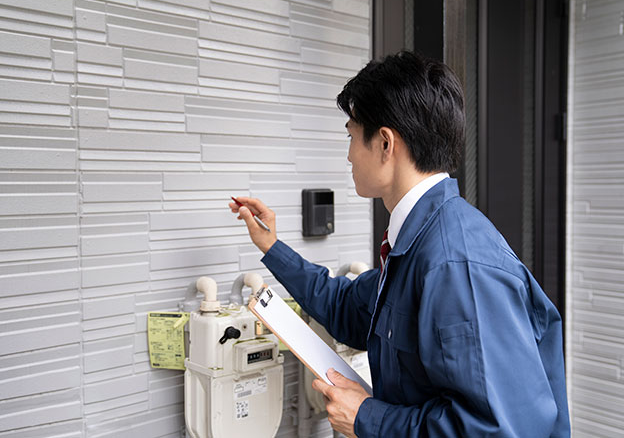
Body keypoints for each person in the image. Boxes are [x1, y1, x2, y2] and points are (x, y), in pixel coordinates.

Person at [228, 51, 570, 437]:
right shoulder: (417, 243)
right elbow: (347, 308)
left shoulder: (456, 264)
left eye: (352, 136)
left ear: (386, 143)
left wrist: (366, 419)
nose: (349, 154)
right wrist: (271, 246)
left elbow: (497, 429)